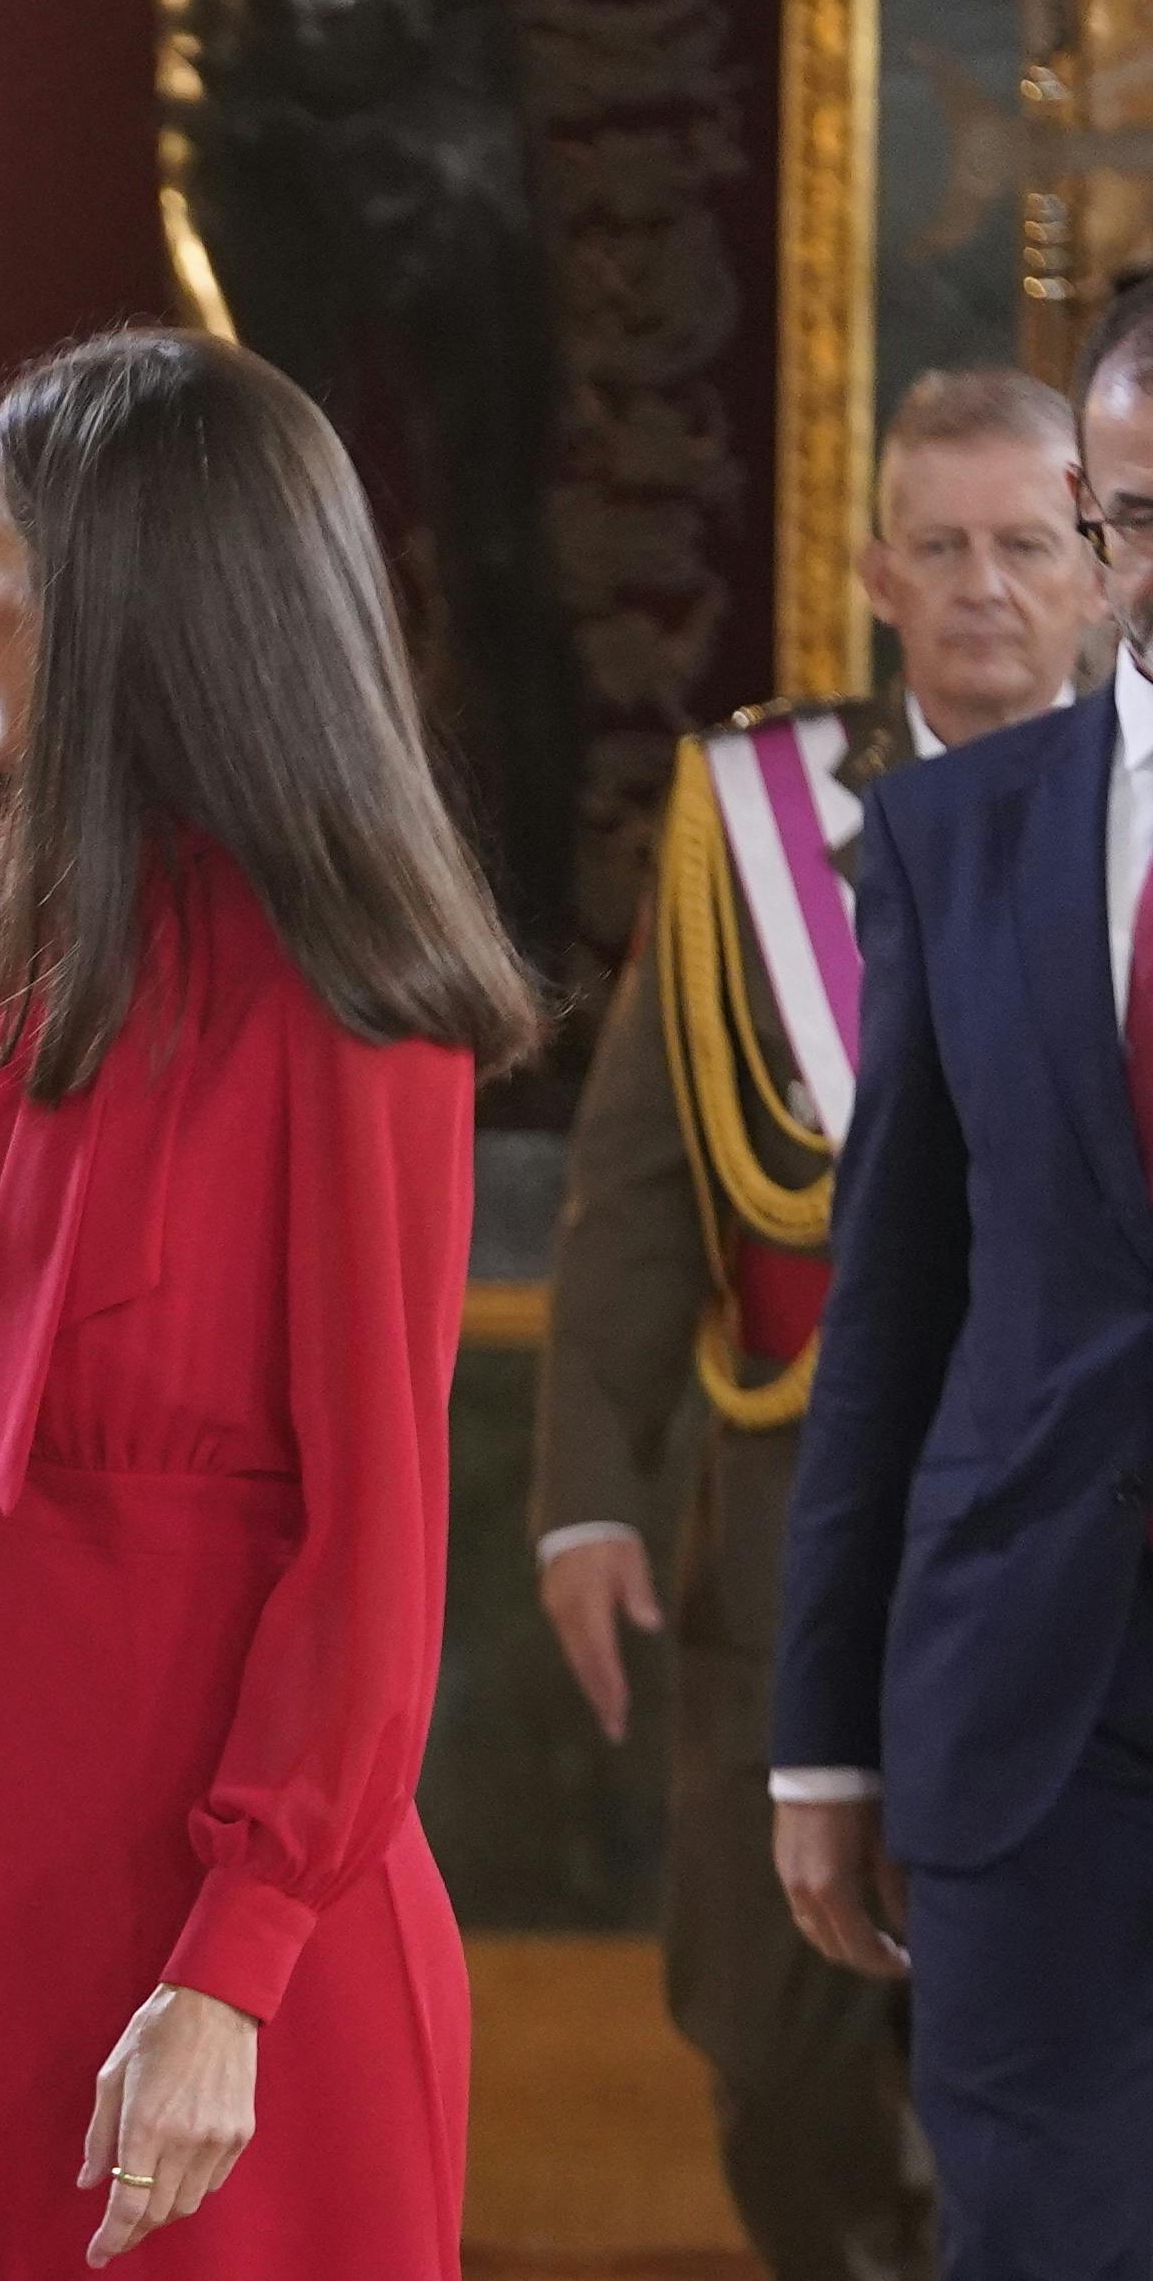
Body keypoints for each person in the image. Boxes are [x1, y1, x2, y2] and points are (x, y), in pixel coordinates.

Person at [0, 330, 536, 2277]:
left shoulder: (351, 1005)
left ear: (115, 607)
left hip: (208, 1940)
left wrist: (237, 1967)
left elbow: (374, 1548)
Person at [532, 365, 1095, 2281]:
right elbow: (635, 1178)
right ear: (874, 568)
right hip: (793, 1514)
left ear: (1095, 564)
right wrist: (586, 1489)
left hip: (1080, 1511)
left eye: (1028, 542)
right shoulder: (749, 814)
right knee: (771, 2045)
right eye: (940, 545)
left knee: (1044, 2043)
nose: (985, 585)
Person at [774, 280, 1153, 2281]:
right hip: (1032, 1716)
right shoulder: (958, 838)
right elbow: (889, 1312)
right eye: (1134, 508)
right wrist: (824, 1737)